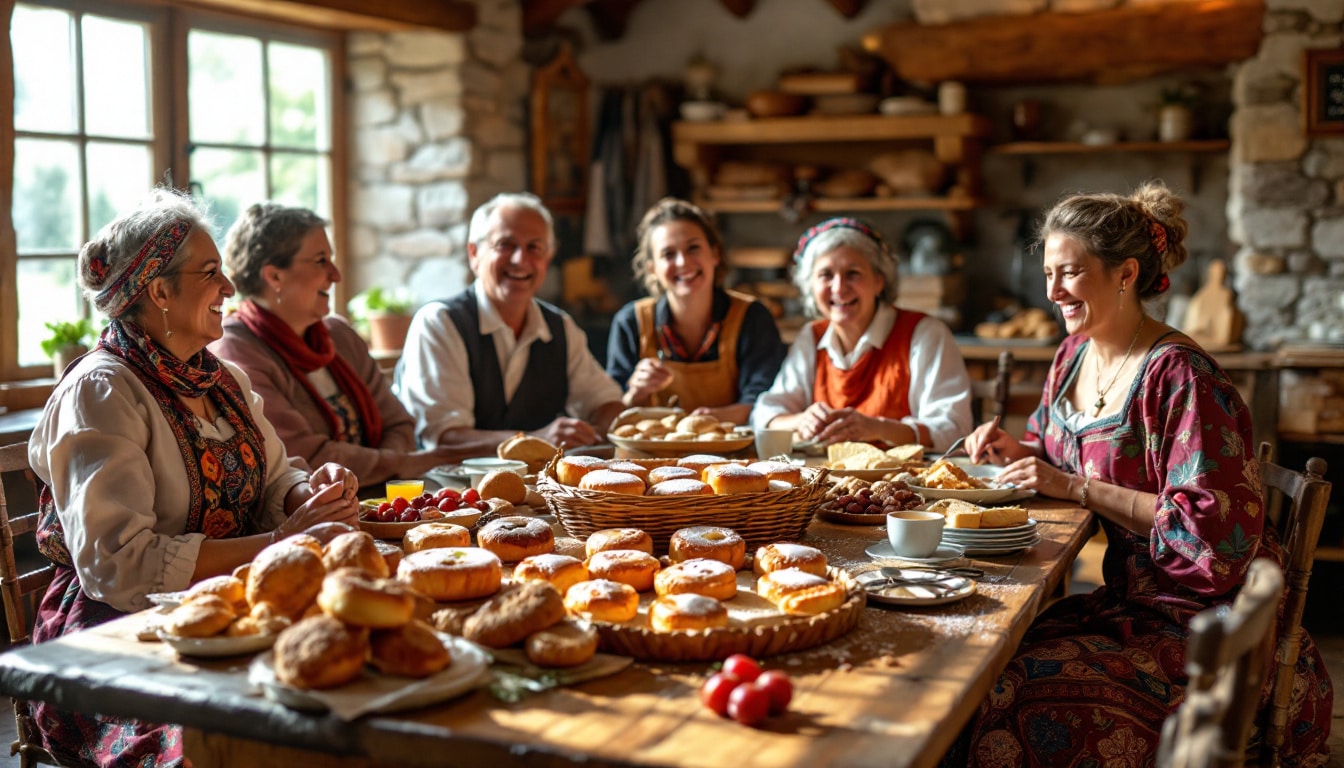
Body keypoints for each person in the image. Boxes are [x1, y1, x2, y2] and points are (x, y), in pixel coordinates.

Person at [957, 183, 1332, 766]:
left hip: (1203, 627)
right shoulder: (1072, 356)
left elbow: (1211, 542)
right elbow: (1050, 451)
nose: (1052, 291)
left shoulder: (1182, 377)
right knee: (972, 658)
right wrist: (1013, 449)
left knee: (1003, 692)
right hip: (1128, 601)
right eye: (1049, 273)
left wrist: (1074, 487)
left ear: (1125, 272)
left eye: (1071, 273)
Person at [27, 189, 360, 768]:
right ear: (158, 290)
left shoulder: (222, 379)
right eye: (210, 274)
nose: (229, 288)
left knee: (343, 686)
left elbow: (281, 477)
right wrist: (280, 544)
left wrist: (315, 494)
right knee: (233, 741)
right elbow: (119, 566)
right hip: (115, 635)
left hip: (226, 611)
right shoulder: (102, 391)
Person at [210, 202, 461, 486]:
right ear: (274, 275)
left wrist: (389, 471)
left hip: (386, 499)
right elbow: (306, 456)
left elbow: (400, 424)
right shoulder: (236, 349)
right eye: (321, 261)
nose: (336, 275)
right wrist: (401, 464)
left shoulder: (339, 335)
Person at [398, 192, 624, 453]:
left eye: (534, 248)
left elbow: (607, 404)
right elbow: (442, 439)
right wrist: (535, 441)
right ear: (474, 254)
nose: (520, 260)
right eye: (505, 245)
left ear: (547, 259)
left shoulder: (561, 327)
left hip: (540, 490)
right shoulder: (440, 323)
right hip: (451, 490)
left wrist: (596, 433)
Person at [750, 217, 973, 451]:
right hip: (830, 483)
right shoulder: (812, 337)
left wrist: (878, 428)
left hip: (909, 483)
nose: (839, 288)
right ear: (810, 287)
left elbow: (954, 430)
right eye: (825, 275)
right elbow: (764, 413)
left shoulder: (924, 334)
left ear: (879, 281)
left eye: (852, 273)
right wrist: (800, 420)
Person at [606, 197, 785, 425]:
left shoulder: (752, 317)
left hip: (734, 456)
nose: (683, 262)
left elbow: (764, 404)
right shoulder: (631, 322)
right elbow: (612, 416)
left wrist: (702, 423)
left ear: (715, 254)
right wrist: (635, 393)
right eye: (668, 254)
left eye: (693, 248)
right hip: (651, 458)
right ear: (652, 268)